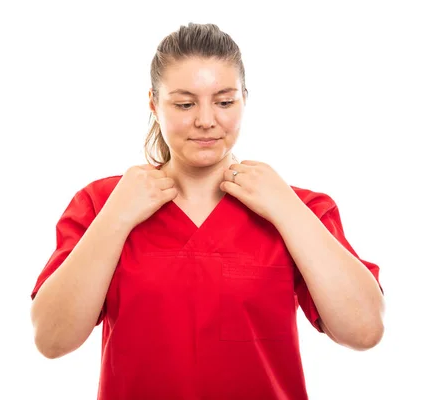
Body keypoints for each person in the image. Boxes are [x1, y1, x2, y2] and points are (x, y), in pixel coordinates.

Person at [29, 22, 385, 400]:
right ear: (153, 102)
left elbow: (364, 331)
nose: (205, 120)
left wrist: (288, 211)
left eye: (224, 101)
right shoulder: (101, 204)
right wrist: (115, 220)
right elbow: (52, 340)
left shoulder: (302, 208)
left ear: (244, 99)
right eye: (184, 104)